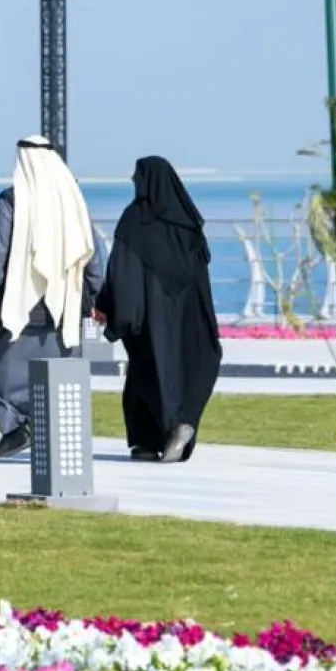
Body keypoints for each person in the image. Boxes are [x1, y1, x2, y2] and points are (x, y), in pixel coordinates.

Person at [0, 135, 104, 459]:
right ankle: (50, 439)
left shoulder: (10, 201)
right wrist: (99, 294)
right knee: (58, 376)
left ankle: (16, 429)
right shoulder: (73, 199)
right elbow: (92, 252)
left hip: (18, 305)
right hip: (66, 304)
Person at [95, 155, 221, 463]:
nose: (133, 182)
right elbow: (201, 277)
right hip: (188, 316)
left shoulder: (135, 220)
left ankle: (149, 442)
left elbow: (121, 272)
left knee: (146, 371)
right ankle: (183, 423)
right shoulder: (188, 224)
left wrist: (108, 307)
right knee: (186, 368)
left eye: (137, 176)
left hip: (149, 317)